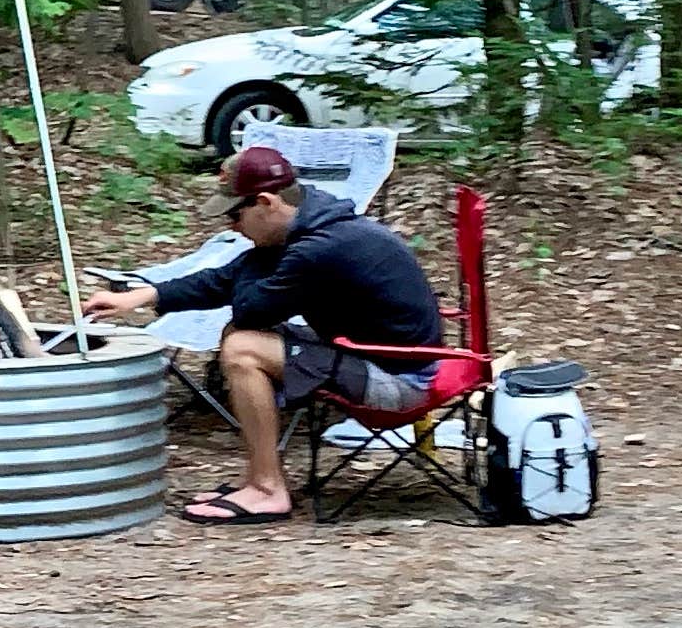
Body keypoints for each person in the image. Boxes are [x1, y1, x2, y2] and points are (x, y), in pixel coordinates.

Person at [81, 141, 448, 524]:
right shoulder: (313, 219)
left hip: (400, 382)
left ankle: (267, 489)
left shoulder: (318, 248)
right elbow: (227, 278)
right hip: (371, 355)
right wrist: (142, 296)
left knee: (244, 347)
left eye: (235, 215)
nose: (232, 227)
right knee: (240, 336)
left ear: (266, 202)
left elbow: (251, 309)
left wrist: (253, 264)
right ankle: (260, 479)